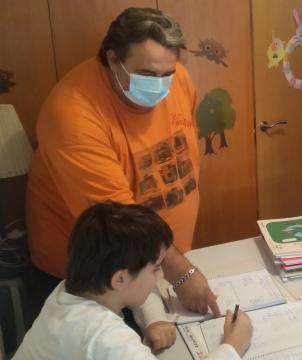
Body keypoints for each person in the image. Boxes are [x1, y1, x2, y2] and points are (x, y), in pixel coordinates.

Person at [26, 7, 218, 317]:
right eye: (146, 74)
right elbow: (120, 223)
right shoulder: (72, 114)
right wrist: (182, 273)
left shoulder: (175, 76)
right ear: (113, 58)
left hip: (162, 264)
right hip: (98, 279)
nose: (160, 85)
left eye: (167, 73)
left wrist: (174, 267)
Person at [14, 202, 252, 359]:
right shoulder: (106, 339)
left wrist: (155, 319)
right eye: (155, 269)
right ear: (120, 278)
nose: (160, 277)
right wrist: (232, 346)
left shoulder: (75, 287)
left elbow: (135, 292)